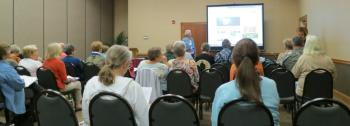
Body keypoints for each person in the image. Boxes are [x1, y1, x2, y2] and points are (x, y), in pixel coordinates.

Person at [211, 38, 280, 126]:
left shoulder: (222, 90)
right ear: (257, 60)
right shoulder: (271, 85)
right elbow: (276, 122)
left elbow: (215, 123)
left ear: (234, 61)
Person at [82, 45, 149, 126]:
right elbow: (144, 120)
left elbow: (86, 117)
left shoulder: (91, 83)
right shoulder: (133, 86)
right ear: (126, 64)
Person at [43, 43, 82, 110]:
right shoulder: (59, 62)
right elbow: (65, 80)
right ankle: (78, 105)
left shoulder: (45, 62)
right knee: (78, 83)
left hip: (48, 87)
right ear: (58, 51)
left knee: (73, 85)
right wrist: (71, 80)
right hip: (59, 87)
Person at [0, 42, 26, 115]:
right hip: (7, 98)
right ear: (5, 54)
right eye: (10, 51)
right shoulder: (6, 68)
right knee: (33, 87)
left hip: (3, 96)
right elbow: (20, 85)